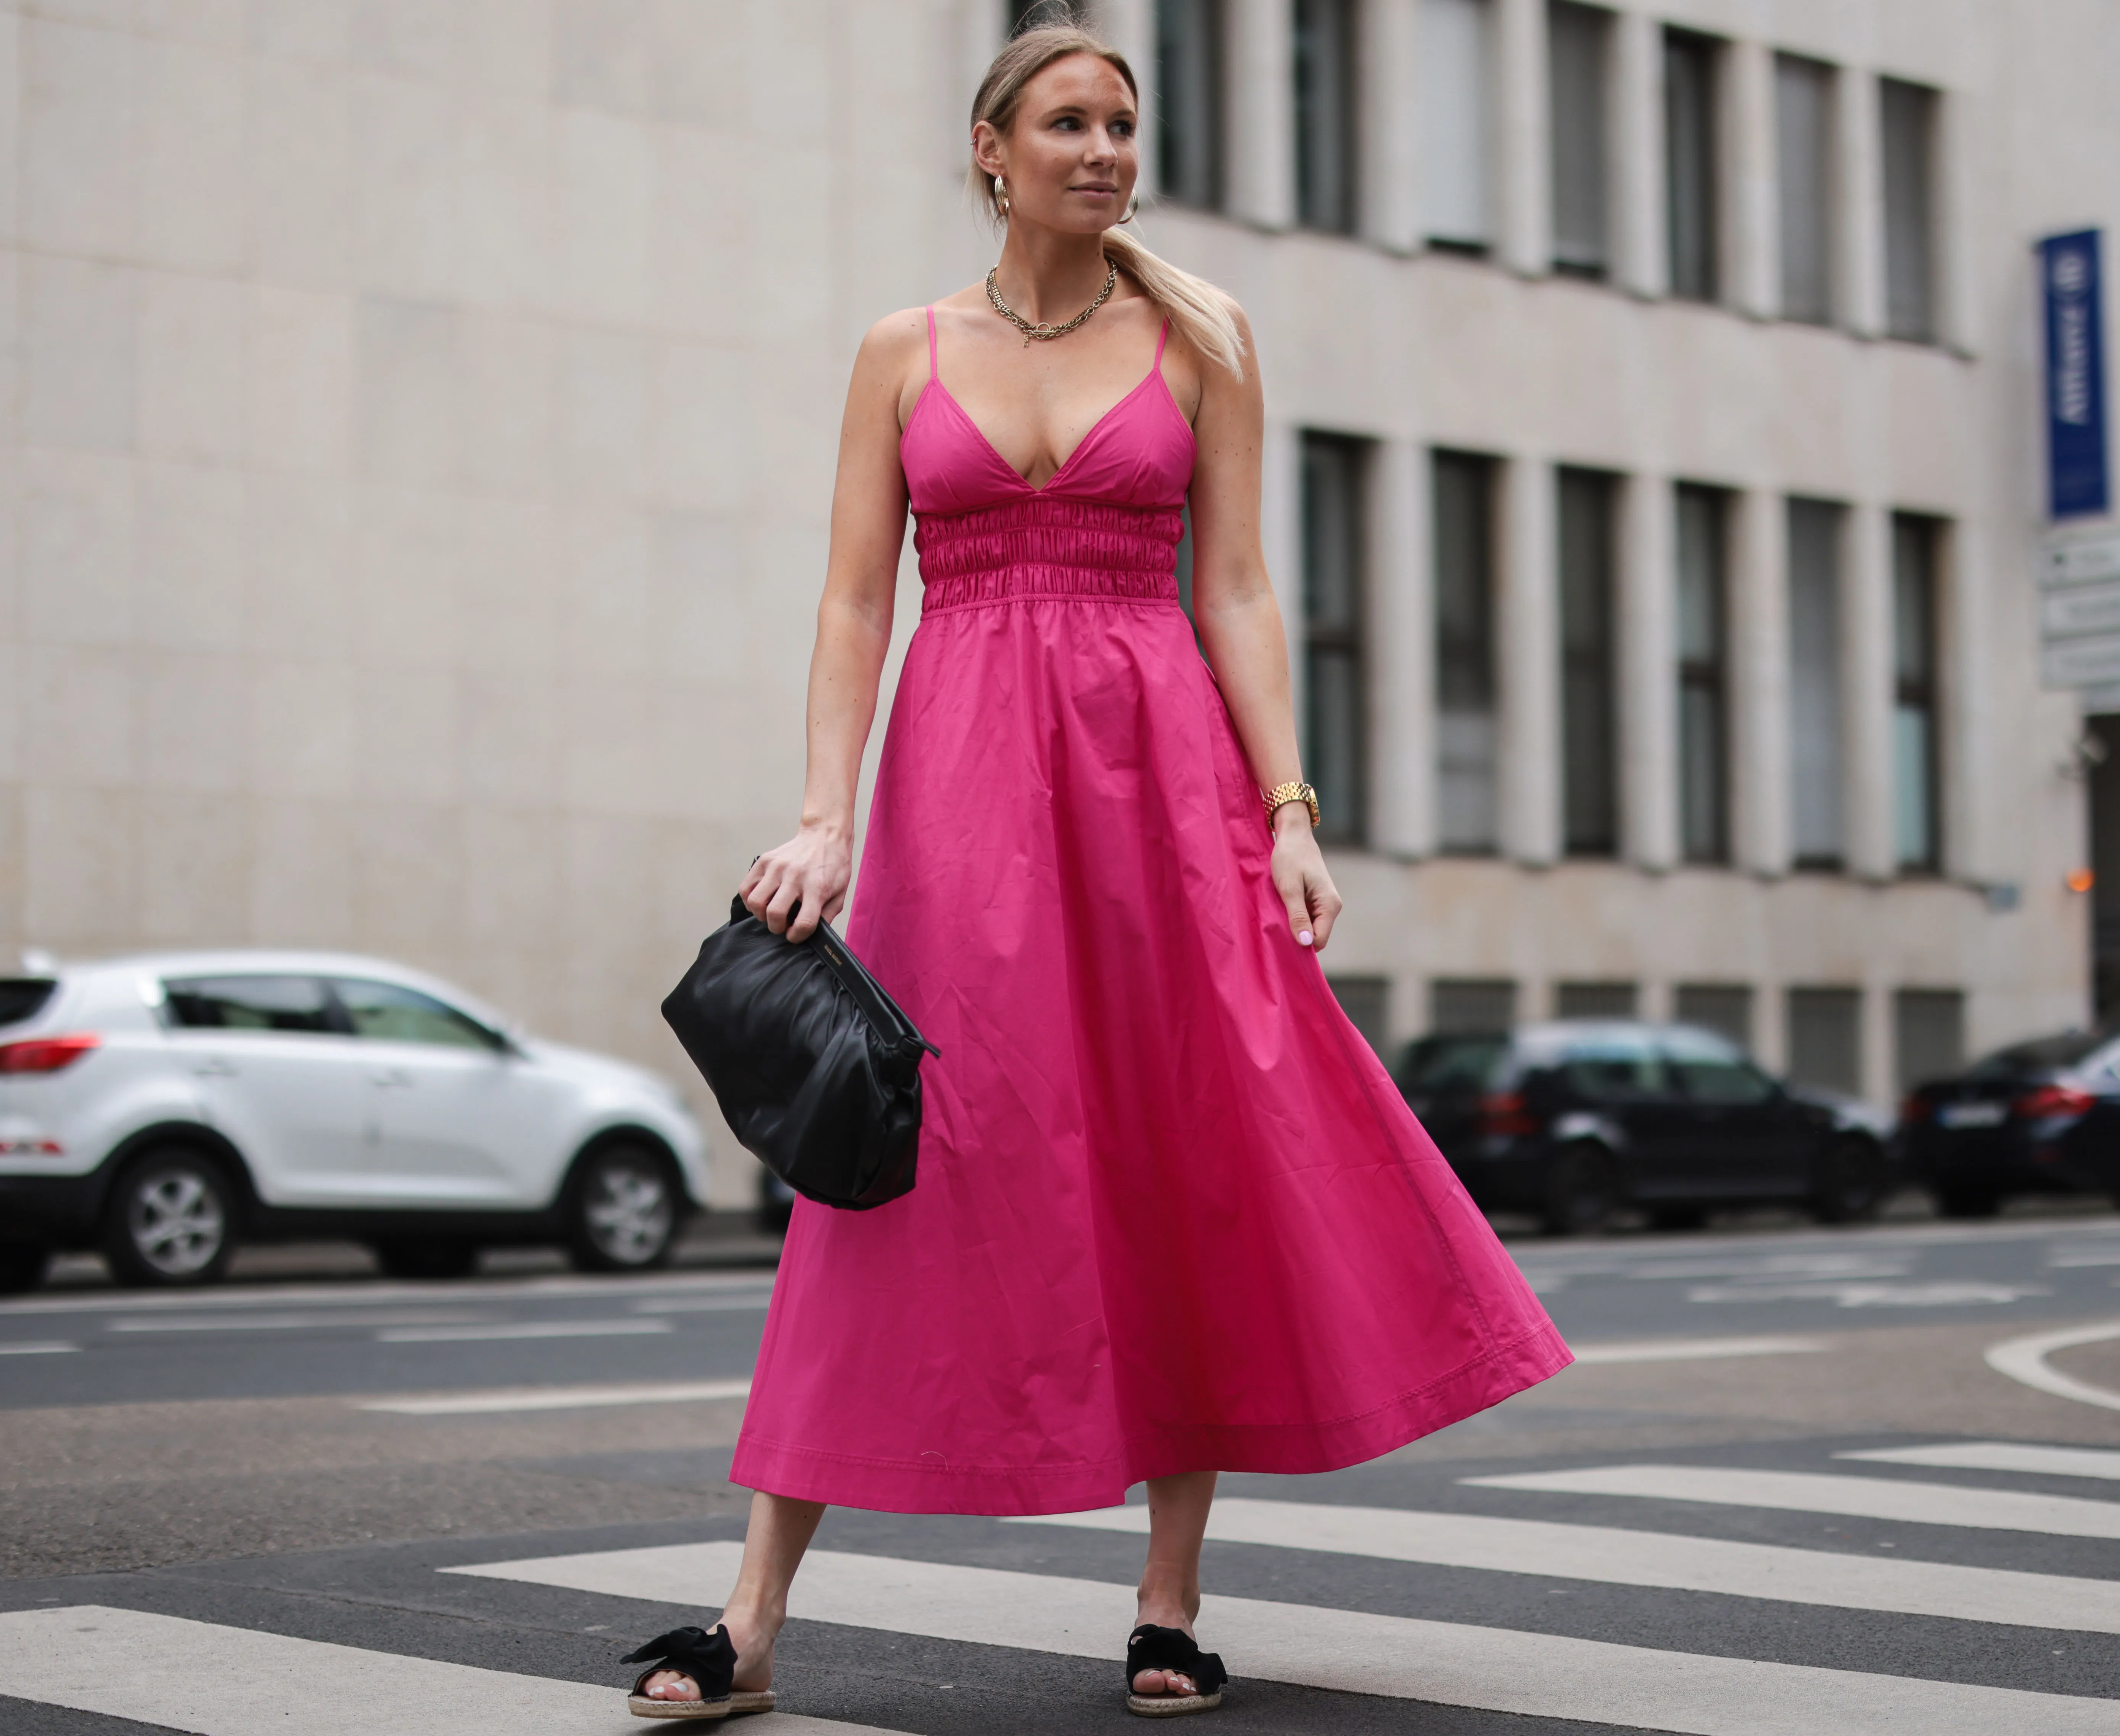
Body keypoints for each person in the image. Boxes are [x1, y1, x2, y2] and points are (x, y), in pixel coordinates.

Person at [623, 16, 1570, 1723]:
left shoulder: (1201, 337)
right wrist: (825, 814)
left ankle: (1168, 1602)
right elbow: (854, 600)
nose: (1102, 150)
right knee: (896, 1165)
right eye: (1066, 122)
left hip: (1162, 791)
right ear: (989, 149)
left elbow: (1239, 591)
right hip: (958, 797)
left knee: (1180, 1151)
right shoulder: (899, 351)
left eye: (1121, 124)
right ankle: (751, 1624)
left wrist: (1286, 805)